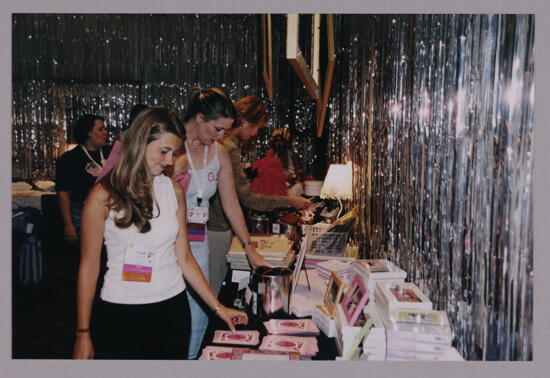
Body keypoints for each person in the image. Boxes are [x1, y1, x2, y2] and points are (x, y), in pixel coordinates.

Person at [73, 106, 247, 360]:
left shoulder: (173, 191)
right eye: (164, 151)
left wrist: (219, 308)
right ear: (140, 141)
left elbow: (185, 259)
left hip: (172, 310)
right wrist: (82, 333)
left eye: (174, 153)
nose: (169, 161)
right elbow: (88, 267)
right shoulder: (102, 196)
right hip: (121, 312)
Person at [171, 88, 270, 359]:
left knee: (200, 312)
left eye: (225, 130)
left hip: (198, 242)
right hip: (168, 245)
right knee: (170, 316)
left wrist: (249, 246)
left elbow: (231, 204)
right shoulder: (172, 147)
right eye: (216, 128)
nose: (220, 136)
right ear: (200, 118)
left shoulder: (219, 154)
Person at [208, 96, 312, 296]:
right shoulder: (227, 147)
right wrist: (291, 201)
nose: (255, 134)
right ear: (245, 121)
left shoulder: (228, 145)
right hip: (217, 228)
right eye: (256, 128)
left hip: (219, 227)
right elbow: (247, 198)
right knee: (215, 291)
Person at [55, 114, 111, 244]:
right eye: (100, 129)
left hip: (110, 212)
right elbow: (63, 194)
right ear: (88, 133)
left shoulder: (111, 153)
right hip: (82, 214)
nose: (105, 132)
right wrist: (69, 225)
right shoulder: (69, 159)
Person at [96, 104, 149, 182]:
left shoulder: (152, 136)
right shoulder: (122, 137)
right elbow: (113, 163)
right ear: (135, 118)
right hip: (126, 176)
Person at [267, 127, 305, 196]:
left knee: (298, 187)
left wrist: (298, 175)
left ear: (286, 142)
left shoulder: (293, 156)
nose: (279, 143)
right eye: (277, 141)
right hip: (276, 188)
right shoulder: (271, 155)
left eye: (281, 141)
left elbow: (299, 172)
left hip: (291, 187)